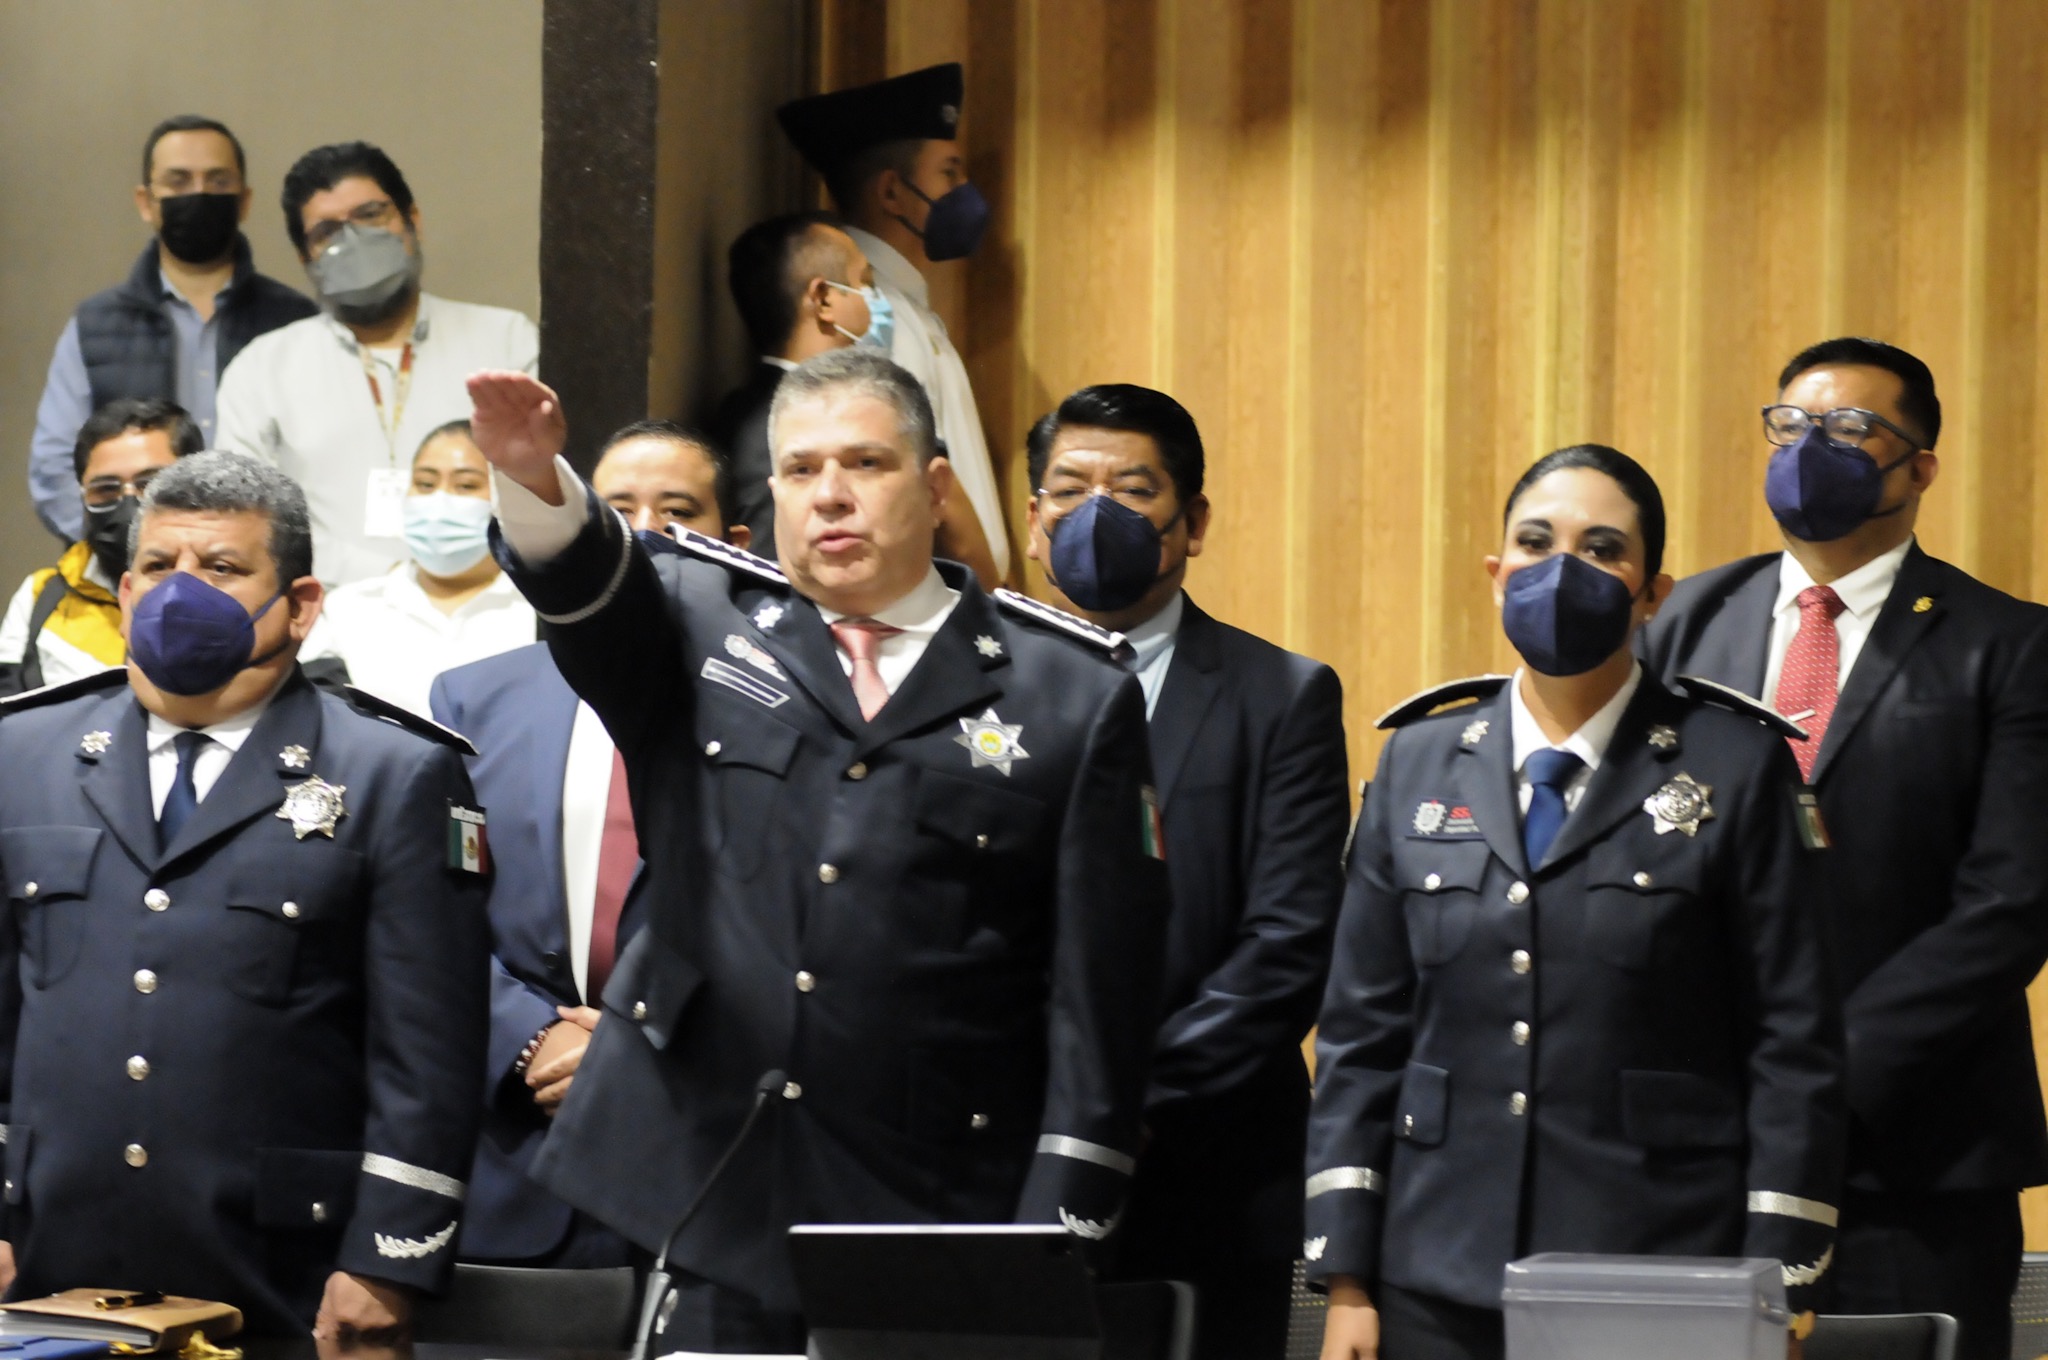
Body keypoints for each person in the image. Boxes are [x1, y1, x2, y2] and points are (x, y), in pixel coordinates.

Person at [467, 347, 1170, 1353]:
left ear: (935, 487)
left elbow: (1102, 1000)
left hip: (941, 1206)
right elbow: (584, 587)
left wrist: (1055, 1229)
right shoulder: (695, 624)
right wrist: (536, 480)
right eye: (799, 470)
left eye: (865, 464)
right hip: (717, 1191)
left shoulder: (1068, 695)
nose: (829, 495)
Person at [1311, 445, 1844, 1360]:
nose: (1562, 571)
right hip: (1436, 1265)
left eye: (1602, 549)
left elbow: (1792, 1043)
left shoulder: (1735, 765)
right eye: (1535, 542)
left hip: (1659, 1260)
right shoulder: (1418, 762)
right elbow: (1362, 1036)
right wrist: (1347, 1279)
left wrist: (1783, 1282)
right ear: (1496, 573)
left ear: (1653, 594)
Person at [0, 452, 489, 1337]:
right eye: (158, 566)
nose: (181, 592)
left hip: (284, 1269)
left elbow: (430, 1057)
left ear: (300, 606)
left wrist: (388, 1260)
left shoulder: (394, 773)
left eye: (222, 568)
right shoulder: (22, 754)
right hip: (47, 1259)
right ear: (124, 593)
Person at [1640, 338, 2048, 1360]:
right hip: (1703, 1150)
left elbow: (2009, 905)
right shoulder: (1683, 623)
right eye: (1788, 426)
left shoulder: (2009, 645)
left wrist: (1815, 1077)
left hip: (1914, 1156)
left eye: (1849, 429)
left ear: (1920, 467)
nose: (1808, 449)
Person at [1022, 384, 1350, 1360]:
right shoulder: (974, 685)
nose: (1096, 515)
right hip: (1001, 1153)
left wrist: (1118, 1104)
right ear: (1033, 521)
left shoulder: (1280, 697)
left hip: (1207, 1170)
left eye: (1132, 490)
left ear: (1192, 522)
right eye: (1068, 490)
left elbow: (1288, 946)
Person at [429, 423, 740, 1267]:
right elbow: (430, 915)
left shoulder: (784, 707)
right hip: (519, 1147)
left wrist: (642, 1049)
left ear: (737, 543)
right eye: (617, 508)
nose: (642, 532)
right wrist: (533, 1037)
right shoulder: (473, 700)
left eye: (678, 511)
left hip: (704, 1152)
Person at [214, 141, 539, 587]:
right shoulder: (262, 369)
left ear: (412, 221)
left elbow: (543, 482)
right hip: (328, 610)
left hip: (490, 602)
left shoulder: (505, 341)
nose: (353, 242)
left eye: (370, 215)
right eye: (327, 231)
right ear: (305, 256)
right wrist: (383, 579)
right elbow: (248, 517)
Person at [28, 116, 316, 543]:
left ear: (244, 200)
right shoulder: (94, 326)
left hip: (259, 567)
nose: (198, 194)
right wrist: (126, 551)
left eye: (218, 181)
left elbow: (324, 458)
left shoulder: (296, 322)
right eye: (178, 181)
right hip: (131, 570)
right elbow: (54, 468)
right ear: (146, 202)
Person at [777, 63, 1006, 588]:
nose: (965, 191)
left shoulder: (905, 307)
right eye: (949, 173)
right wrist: (994, 600)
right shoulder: (872, 318)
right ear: (892, 194)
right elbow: (924, 489)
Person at [300, 421, 535, 716]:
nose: (440, 501)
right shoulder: (347, 608)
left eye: (466, 485)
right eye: (425, 484)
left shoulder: (535, 611)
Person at [1, 399, 203, 695]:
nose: (130, 504)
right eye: (106, 489)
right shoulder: (40, 597)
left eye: (151, 483)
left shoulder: (232, 592)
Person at [709, 213, 878, 556]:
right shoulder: (779, 425)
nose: (874, 299)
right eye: (864, 282)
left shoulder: (737, 411)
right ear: (824, 299)